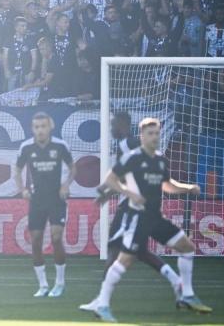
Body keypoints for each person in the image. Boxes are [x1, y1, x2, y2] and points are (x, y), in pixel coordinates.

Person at [80, 117, 212, 322]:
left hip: (155, 217)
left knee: (187, 247)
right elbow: (109, 180)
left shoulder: (160, 159)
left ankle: (186, 294)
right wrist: (130, 194)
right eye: (150, 133)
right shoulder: (132, 158)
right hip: (136, 217)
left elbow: (167, 185)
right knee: (124, 259)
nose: (154, 137)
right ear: (141, 136)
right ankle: (103, 305)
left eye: (157, 133)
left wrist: (188, 188)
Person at [14, 112, 75, 298]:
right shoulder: (26, 147)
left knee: (56, 238)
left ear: (50, 127)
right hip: (37, 199)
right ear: (33, 128)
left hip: (56, 198)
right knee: (36, 241)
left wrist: (66, 184)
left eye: (43, 126)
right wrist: (22, 189)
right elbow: (17, 170)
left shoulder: (60, 146)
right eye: (37, 127)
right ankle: (42, 285)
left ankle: (60, 283)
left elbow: (73, 167)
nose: (40, 130)